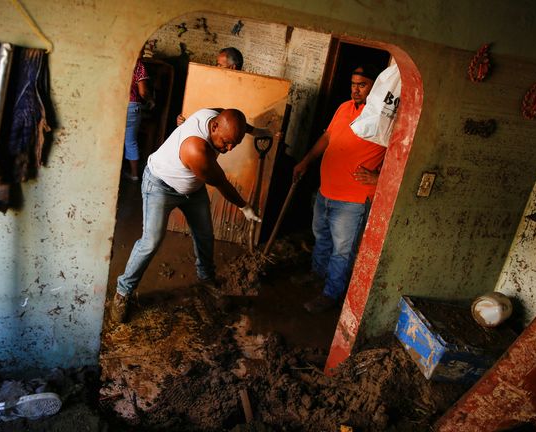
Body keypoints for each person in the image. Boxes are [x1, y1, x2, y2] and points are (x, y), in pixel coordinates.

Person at [111, 108, 262, 323]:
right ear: (215, 126)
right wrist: (244, 207)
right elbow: (221, 183)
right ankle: (123, 292)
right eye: (226, 142)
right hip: (160, 186)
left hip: (192, 188)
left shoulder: (214, 115)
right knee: (151, 241)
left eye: (234, 144)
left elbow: (234, 121)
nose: (228, 148)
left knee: (205, 235)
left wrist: (257, 131)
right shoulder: (196, 149)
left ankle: (207, 280)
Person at [293, 64, 385, 314]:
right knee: (321, 238)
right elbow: (327, 138)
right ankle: (317, 274)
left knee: (342, 251)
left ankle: (331, 294)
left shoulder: (384, 117)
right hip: (326, 192)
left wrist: (380, 177)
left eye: (362, 85)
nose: (356, 90)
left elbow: (401, 153)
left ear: (375, 87)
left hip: (353, 200)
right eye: (353, 84)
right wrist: (305, 161)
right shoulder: (345, 107)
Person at [122, 56, 155, 182]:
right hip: (132, 106)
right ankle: (134, 174)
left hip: (114, 106)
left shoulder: (116, 59)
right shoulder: (138, 64)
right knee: (130, 141)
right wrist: (151, 101)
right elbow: (143, 92)